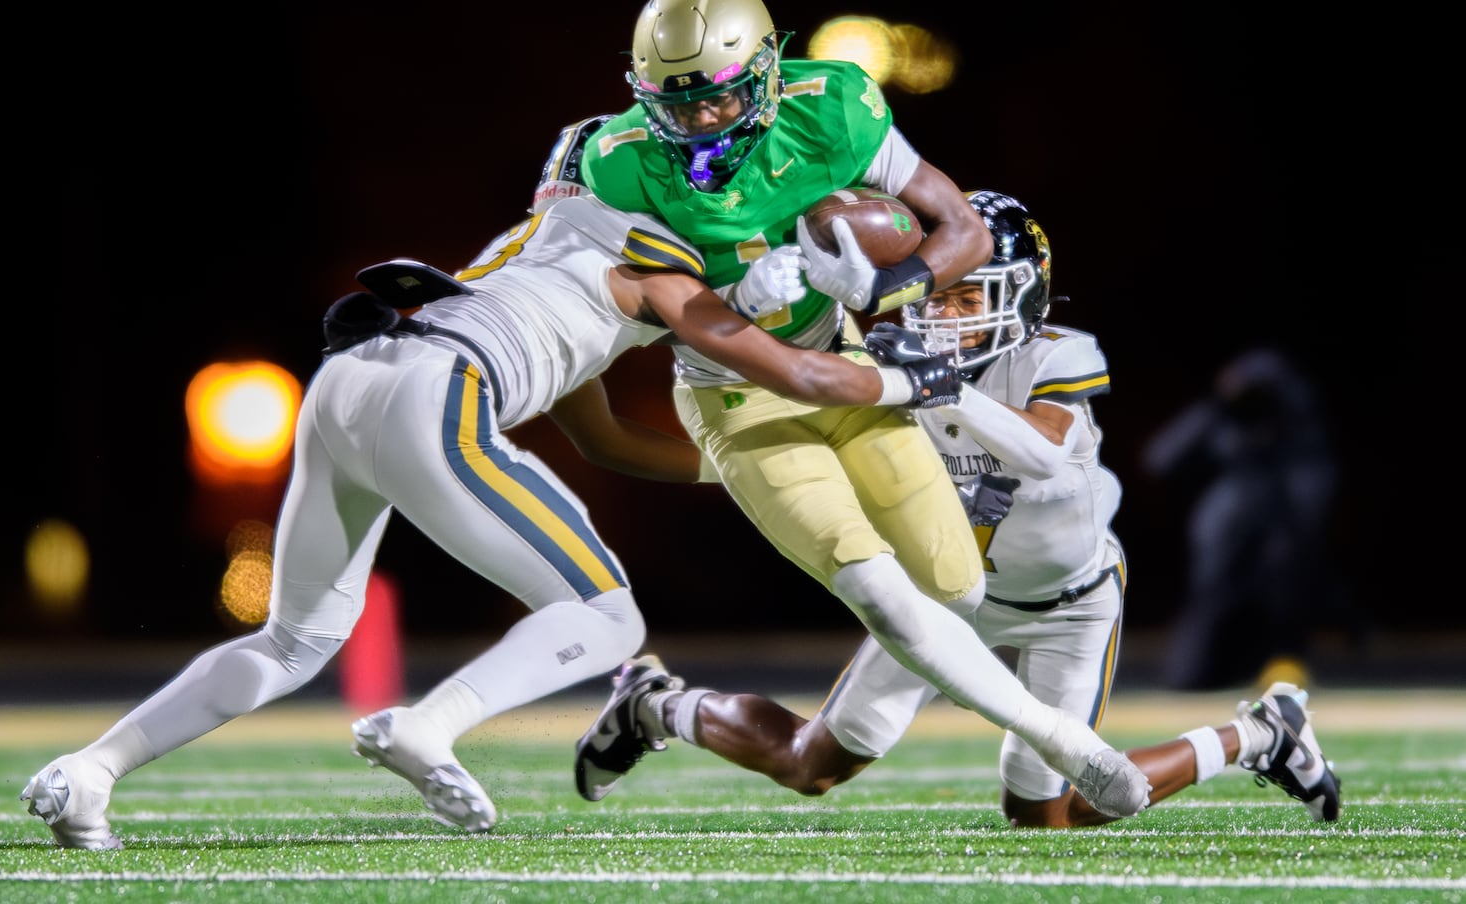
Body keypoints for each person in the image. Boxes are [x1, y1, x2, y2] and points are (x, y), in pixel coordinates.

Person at [17, 139, 968, 850]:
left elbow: (604, 437)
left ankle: (88, 771)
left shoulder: (542, 241)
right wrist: (902, 383)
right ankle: (426, 725)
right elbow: (799, 376)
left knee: (296, 638)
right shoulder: (661, 262)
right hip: (442, 393)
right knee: (605, 617)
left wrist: (736, 472)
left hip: (352, 377)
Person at [573, 0, 1153, 821]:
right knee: (878, 588)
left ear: (769, 69)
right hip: (739, 391)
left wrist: (885, 287)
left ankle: (655, 703)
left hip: (843, 365)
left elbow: (965, 230)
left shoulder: (836, 108)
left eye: (719, 99)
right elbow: (653, 316)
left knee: (953, 592)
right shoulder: (619, 166)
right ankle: (1073, 747)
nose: (699, 123)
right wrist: (734, 305)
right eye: (678, 104)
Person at [574, 191, 1343, 826]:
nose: (945, 314)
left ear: (1021, 296)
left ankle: (1261, 735)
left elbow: (1042, 451)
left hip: (1066, 607)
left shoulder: (1059, 353)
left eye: (969, 295)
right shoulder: (884, 361)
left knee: (1047, 815)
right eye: (937, 295)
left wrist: (940, 387)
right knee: (810, 765)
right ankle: (658, 706)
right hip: (948, 598)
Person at [1142, 346, 1340, 690]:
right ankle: (1202, 670)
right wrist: (1218, 408)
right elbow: (1161, 458)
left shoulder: (1296, 437)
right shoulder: (1224, 424)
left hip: (1279, 531)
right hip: (1229, 525)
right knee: (1213, 599)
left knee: (1282, 591)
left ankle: (1279, 663)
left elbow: (1312, 496)